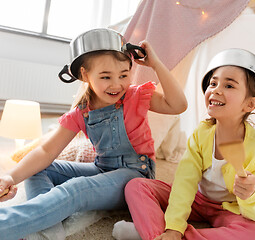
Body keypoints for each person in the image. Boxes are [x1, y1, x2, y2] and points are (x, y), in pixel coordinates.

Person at [0, 28, 187, 240]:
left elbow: (178, 104)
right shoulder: (82, 111)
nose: (117, 84)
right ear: (84, 75)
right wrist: (10, 176)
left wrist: (156, 64)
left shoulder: (136, 96)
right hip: (101, 169)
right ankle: (49, 230)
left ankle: (7, 224)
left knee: (77, 189)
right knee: (36, 168)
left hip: (135, 174)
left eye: (124, 75)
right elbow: (45, 151)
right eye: (106, 76)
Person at [113, 49, 255, 240]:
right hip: (196, 200)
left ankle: (151, 234)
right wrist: (173, 227)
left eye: (229, 85)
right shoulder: (201, 135)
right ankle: (163, 235)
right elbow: (185, 182)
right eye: (213, 83)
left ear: (250, 104)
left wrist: (252, 194)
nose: (216, 89)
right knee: (136, 186)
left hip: (230, 209)